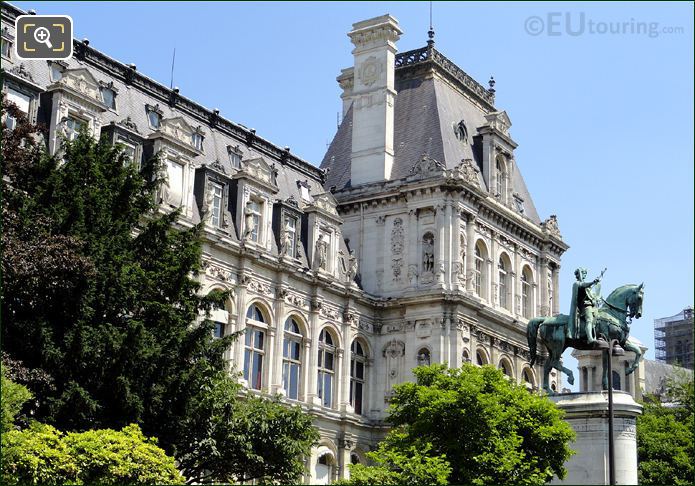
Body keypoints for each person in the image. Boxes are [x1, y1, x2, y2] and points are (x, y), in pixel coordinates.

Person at [568, 267, 603, 345]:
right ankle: (590, 338)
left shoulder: (588, 288)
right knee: (589, 319)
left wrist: (598, 299)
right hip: (585, 307)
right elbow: (584, 285)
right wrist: (593, 282)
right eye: (583, 273)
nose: (584, 275)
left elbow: (592, 296)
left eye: (585, 274)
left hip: (592, 306)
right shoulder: (577, 284)